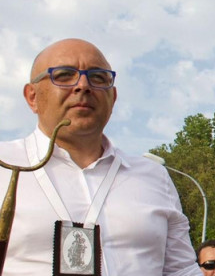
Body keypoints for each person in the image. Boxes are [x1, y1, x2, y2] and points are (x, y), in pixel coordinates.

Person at [0, 38, 201, 275]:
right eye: (64, 75)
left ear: (113, 98)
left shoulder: (153, 176)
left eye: (98, 77)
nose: (83, 85)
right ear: (32, 96)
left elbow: (181, 270)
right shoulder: (6, 163)